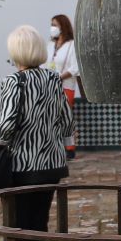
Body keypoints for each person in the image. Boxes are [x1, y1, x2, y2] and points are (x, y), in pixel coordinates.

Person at [0, 25, 74, 241]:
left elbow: (5, 127)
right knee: (39, 225)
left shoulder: (14, 82)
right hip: (51, 166)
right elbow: (67, 123)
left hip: (22, 167)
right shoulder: (53, 79)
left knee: (17, 227)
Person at [44, 14, 80, 158]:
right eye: (51, 24)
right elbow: (45, 63)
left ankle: (69, 148)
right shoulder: (50, 44)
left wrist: (59, 77)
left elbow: (74, 68)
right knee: (51, 118)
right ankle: (54, 146)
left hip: (65, 86)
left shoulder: (72, 45)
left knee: (65, 118)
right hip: (50, 86)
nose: (52, 28)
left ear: (63, 27)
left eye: (55, 25)